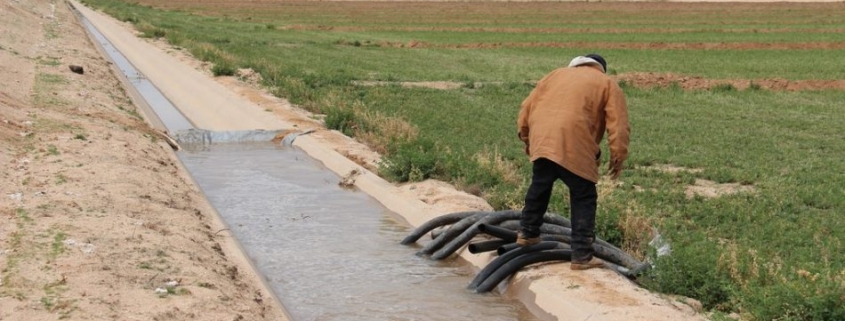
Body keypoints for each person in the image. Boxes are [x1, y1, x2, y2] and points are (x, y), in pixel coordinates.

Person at [515, 54, 630, 271]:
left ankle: (527, 233)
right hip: (574, 144)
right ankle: (581, 255)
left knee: (540, 185)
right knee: (584, 196)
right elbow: (619, 125)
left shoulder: (554, 75)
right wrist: (618, 156)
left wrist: (527, 138)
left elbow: (526, 110)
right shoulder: (607, 83)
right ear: (600, 68)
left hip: (544, 140)